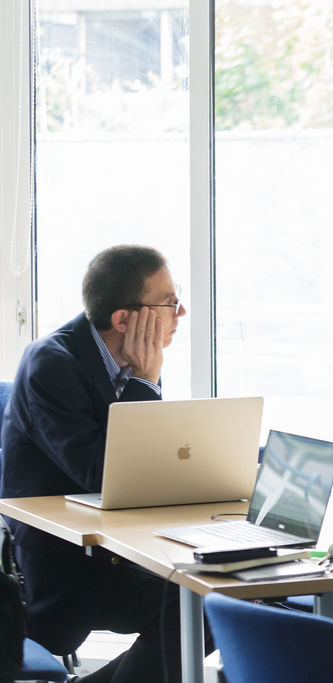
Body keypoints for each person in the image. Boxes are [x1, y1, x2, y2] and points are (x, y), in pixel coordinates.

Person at [0, 245, 204, 682]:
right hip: (62, 567)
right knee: (196, 609)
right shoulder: (50, 364)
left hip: (116, 552)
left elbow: (146, 473)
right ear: (124, 319)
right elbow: (108, 474)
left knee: (211, 606)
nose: (180, 311)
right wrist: (147, 384)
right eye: (169, 302)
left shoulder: (129, 361)